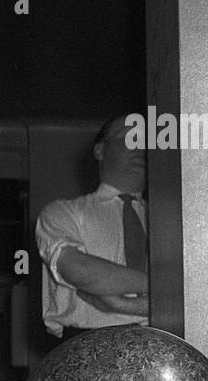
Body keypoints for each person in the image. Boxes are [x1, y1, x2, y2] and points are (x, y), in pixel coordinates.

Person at [36, 112, 149, 341]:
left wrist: (127, 304)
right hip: (86, 348)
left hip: (166, 342)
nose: (142, 146)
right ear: (100, 150)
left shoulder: (175, 222)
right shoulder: (62, 212)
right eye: (130, 136)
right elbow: (80, 270)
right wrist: (168, 288)